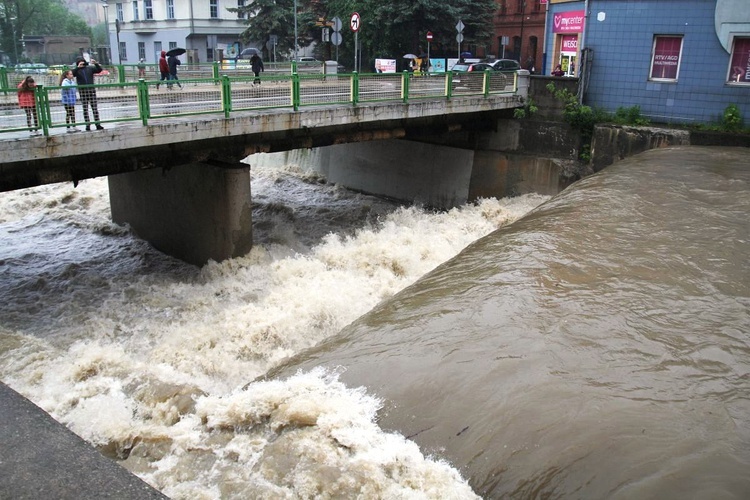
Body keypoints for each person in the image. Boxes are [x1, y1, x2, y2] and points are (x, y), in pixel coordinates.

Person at [72, 56, 104, 131]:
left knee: (95, 108)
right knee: (85, 109)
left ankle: (97, 123)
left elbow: (99, 70)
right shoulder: (77, 71)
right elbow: (72, 73)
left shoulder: (89, 68)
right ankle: (87, 124)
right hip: (83, 92)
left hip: (91, 91)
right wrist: (78, 67)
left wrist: (96, 64)